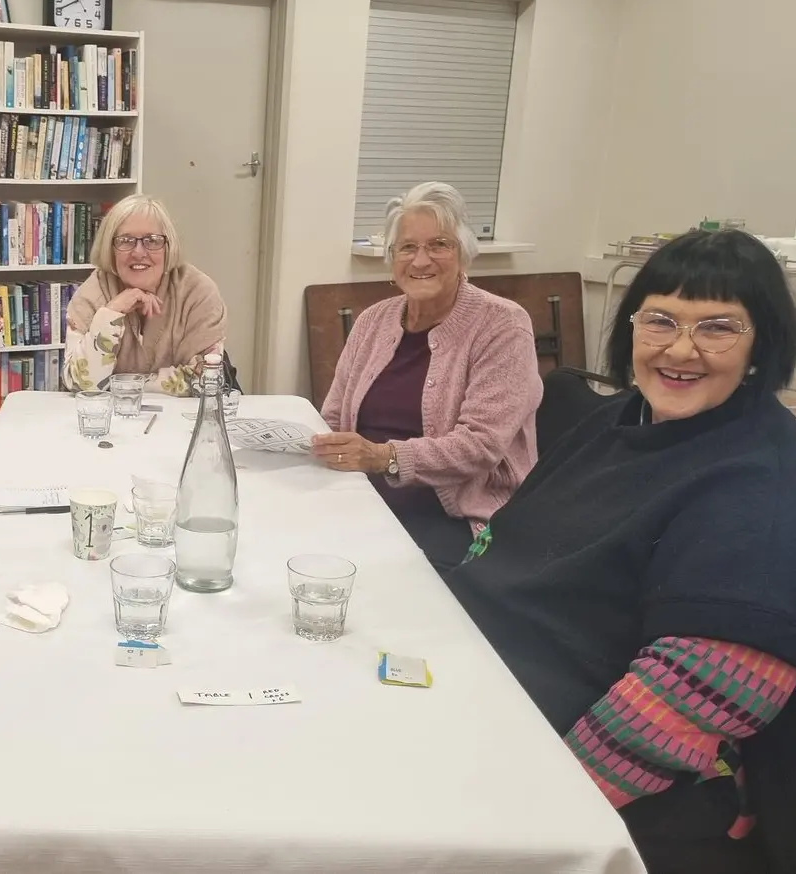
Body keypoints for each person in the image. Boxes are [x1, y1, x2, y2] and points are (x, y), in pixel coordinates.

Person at [447, 229, 796, 873]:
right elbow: (507, 541)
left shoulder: (760, 479)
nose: (681, 348)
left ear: (760, 346)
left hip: (578, 780)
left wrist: (536, 808)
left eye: (718, 328)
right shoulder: (619, 419)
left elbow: (712, 688)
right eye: (660, 320)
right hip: (477, 693)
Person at [311, 182, 540, 572]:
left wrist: (384, 457)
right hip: (362, 496)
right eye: (408, 247)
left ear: (463, 253)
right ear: (392, 258)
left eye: (439, 245)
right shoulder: (373, 321)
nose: (421, 261)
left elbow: (480, 445)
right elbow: (332, 417)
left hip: (453, 515)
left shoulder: (503, 326)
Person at [63, 193, 228, 395]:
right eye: (126, 240)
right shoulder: (91, 292)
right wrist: (110, 313)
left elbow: (206, 378)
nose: (139, 252)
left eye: (152, 240)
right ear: (110, 248)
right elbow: (81, 385)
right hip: (111, 419)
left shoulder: (199, 292)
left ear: (169, 247)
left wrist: (123, 386)